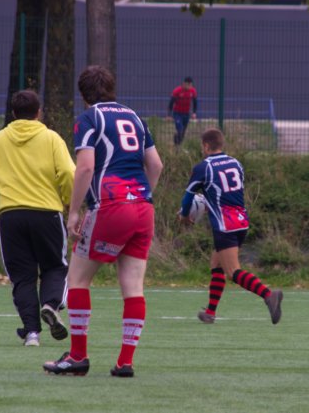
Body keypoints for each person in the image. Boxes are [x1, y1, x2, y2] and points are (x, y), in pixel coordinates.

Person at [43, 66, 163, 378]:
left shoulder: (88, 119)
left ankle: (78, 356)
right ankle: (125, 362)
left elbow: (84, 169)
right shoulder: (134, 117)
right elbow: (156, 164)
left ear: (83, 94)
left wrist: (73, 211)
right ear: (111, 88)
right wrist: (142, 195)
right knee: (133, 286)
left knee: (79, 279)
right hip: (143, 207)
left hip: (112, 204)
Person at [0, 90, 75, 347]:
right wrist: (67, 199)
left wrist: (4, 194)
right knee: (55, 266)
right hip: (47, 212)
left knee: (22, 276)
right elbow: (67, 172)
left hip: (11, 214)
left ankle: (32, 333)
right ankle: (51, 305)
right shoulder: (51, 138)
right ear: (39, 112)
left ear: (13, 113)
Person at [178, 128, 282, 325]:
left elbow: (188, 197)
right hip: (241, 221)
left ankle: (269, 295)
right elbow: (229, 193)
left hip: (224, 225)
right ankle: (210, 312)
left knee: (233, 271)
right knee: (216, 265)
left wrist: (184, 216)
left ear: (206, 145)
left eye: (202, 146)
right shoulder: (236, 163)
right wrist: (210, 204)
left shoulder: (203, 167)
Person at [168, 76, 197, 145]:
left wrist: (194, 113)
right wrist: (169, 115)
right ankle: (176, 143)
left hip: (186, 114)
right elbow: (171, 103)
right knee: (180, 129)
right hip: (177, 113)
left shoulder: (192, 91)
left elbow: (195, 102)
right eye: (188, 85)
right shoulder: (177, 91)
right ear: (184, 84)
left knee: (183, 131)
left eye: (191, 85)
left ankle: (178, 145)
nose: (190, 86)